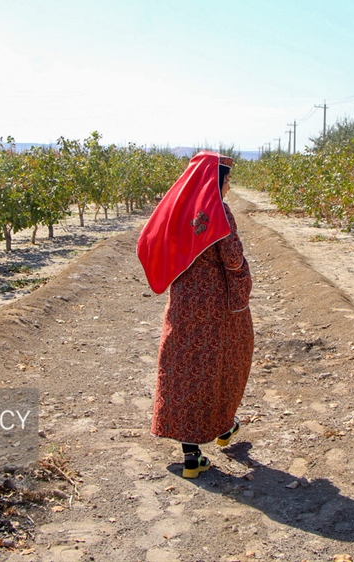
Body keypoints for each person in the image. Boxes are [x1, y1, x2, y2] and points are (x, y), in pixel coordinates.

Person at [136, 151, 254, 478]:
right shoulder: (219, 213)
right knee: (225, 362)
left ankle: (192, 456)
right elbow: (232, 258)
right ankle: (223, 423)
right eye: (228, 180)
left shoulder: (176, 209)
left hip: (184, 301)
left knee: (185, 369)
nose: (230, 186)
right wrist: (243, 281)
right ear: (215, 182)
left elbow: (153, 242)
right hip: (217, 305)